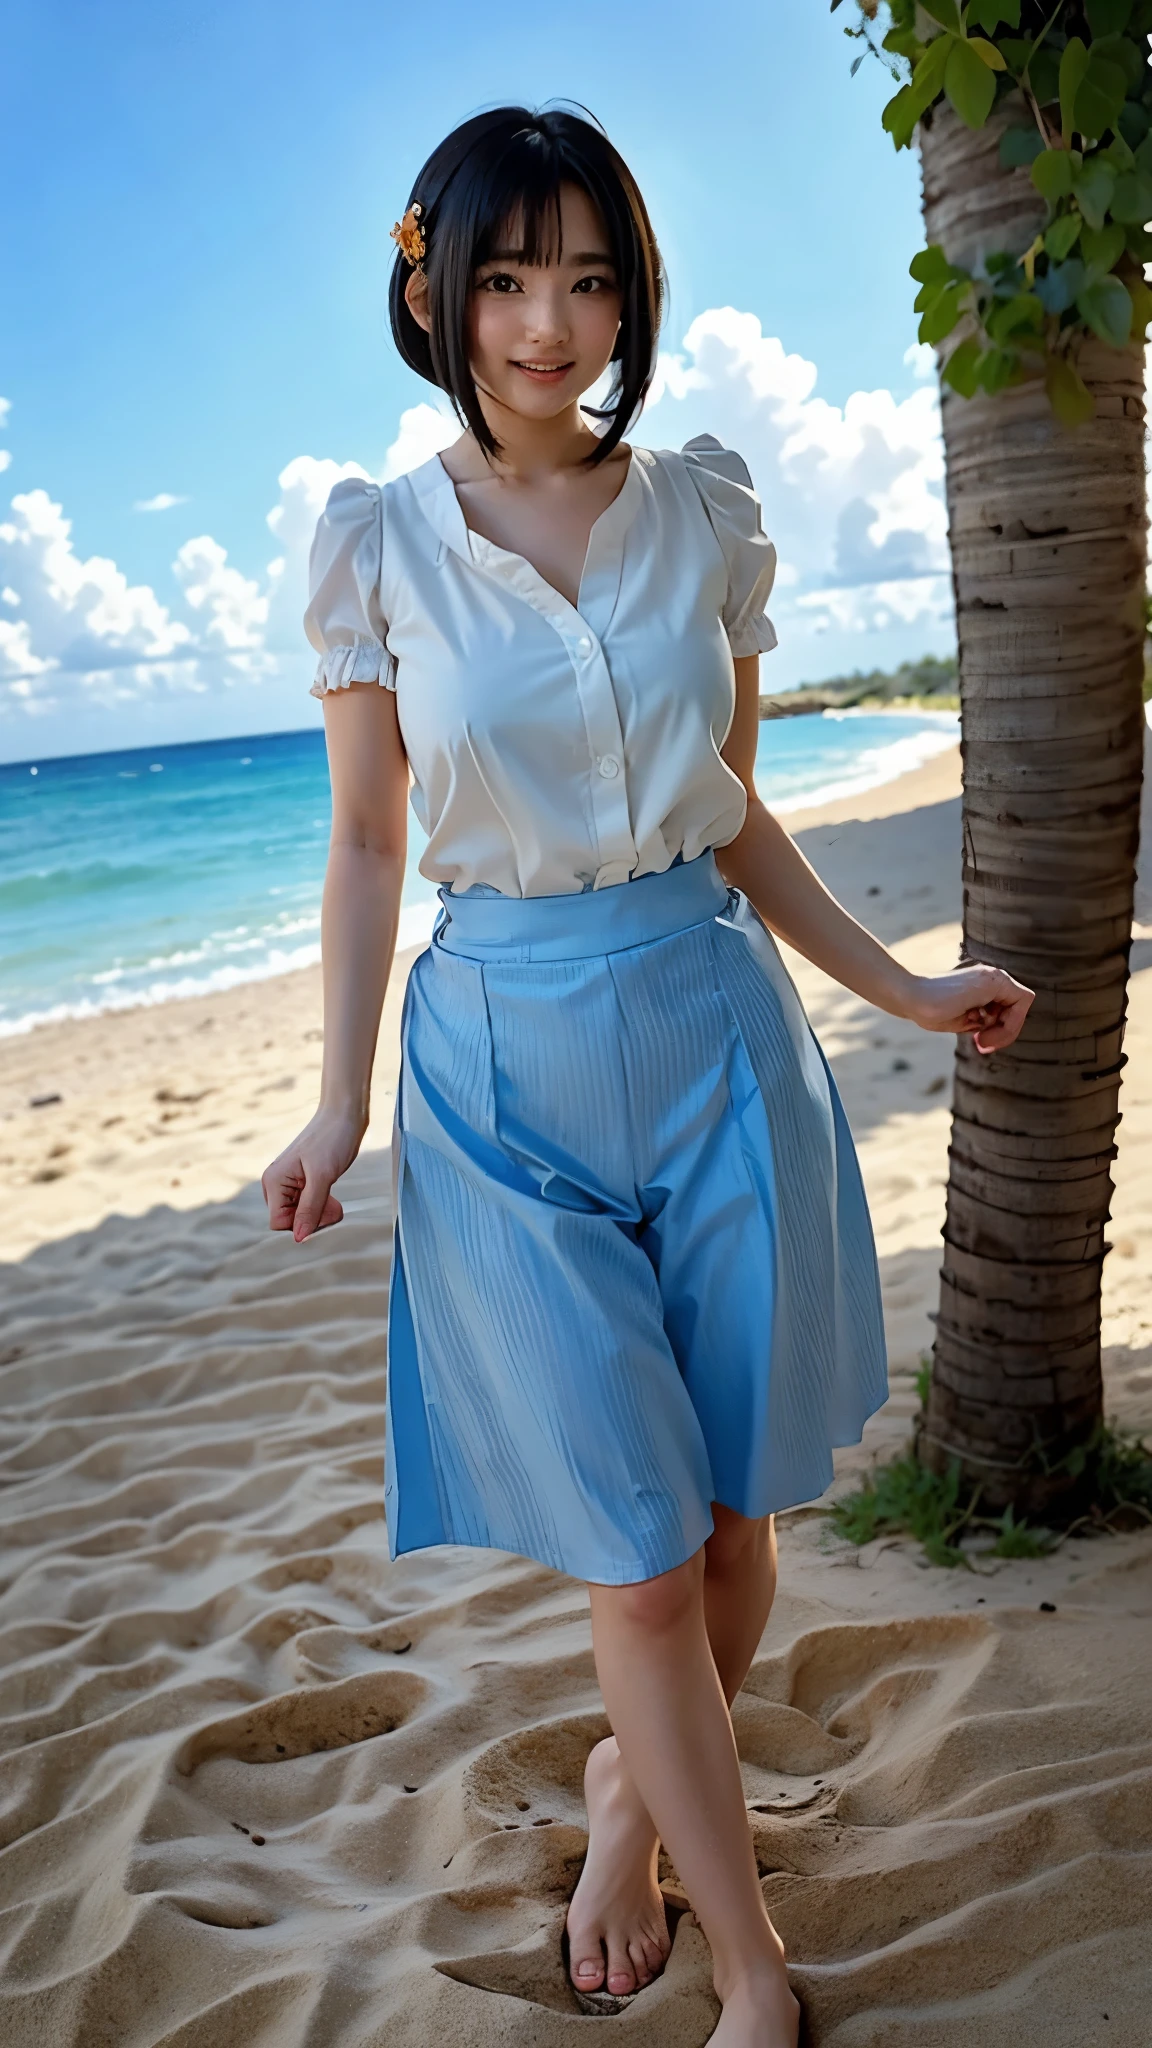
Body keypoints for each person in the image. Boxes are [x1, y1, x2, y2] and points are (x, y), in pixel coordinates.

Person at [262, 103, 1033, 2048]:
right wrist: (338, 1096)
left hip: (710, 1032)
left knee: (723, 1534)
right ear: (430, 285)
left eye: (589, 276)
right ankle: (752, 1968)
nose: (550, 321)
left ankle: (634, 1789)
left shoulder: (702, 507)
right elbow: (367, 845)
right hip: (497, 1076)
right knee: (633, 1548)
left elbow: (734, 806)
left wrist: (902, 985)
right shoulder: (377, 547)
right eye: (509, 276)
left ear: (634, 294)